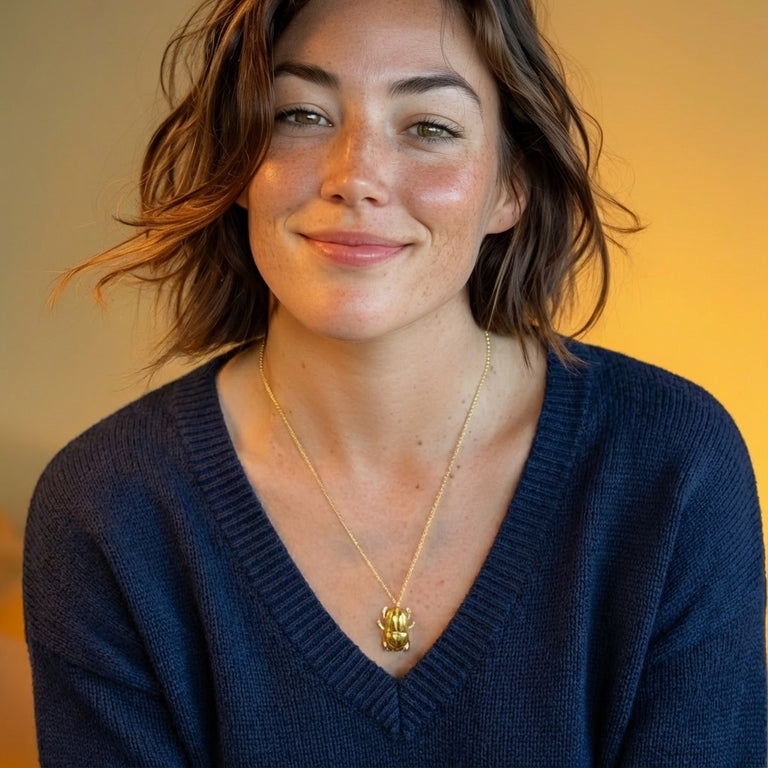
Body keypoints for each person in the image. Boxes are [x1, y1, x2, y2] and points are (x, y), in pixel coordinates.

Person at [23, 0, 766, 765]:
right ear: (240, 165)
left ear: (511, 185)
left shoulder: (672, 465)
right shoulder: (106, 509)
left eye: (429, 128)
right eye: (301, 114)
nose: (356, 177)